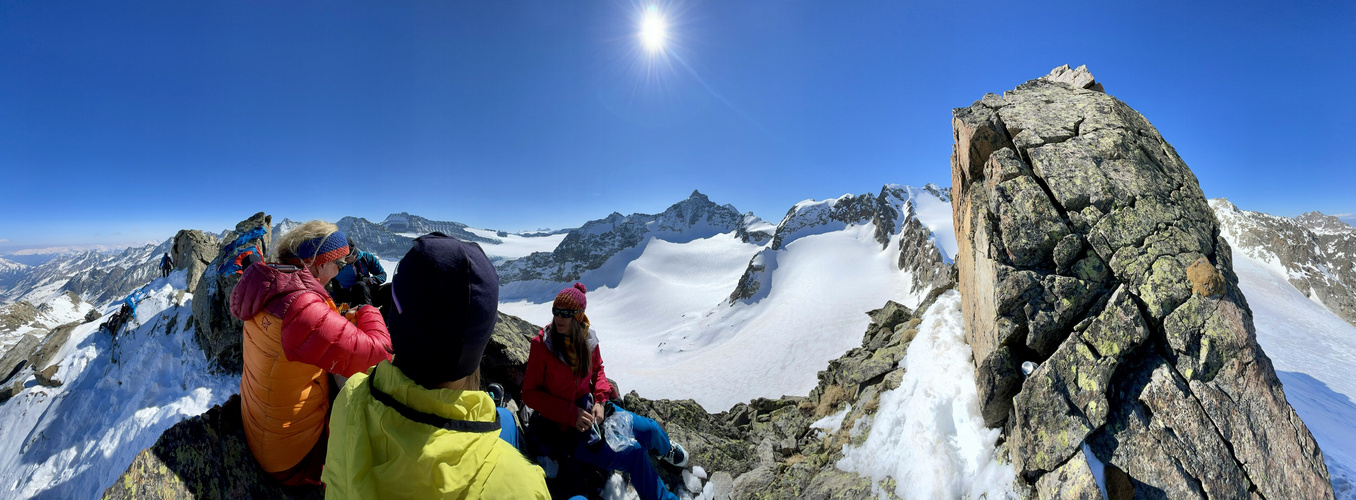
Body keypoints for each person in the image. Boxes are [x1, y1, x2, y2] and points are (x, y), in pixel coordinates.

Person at [323, 232, 550, 499]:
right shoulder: (523, 486)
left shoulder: (351, 400)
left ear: (396, 319)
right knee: (507, 423)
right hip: (488, 456)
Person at [229, 220, 393, 486]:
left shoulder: (271, 282)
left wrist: (337, 317)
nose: (340, 272)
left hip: (264, 431)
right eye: (338, 265)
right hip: (290, 458)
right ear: (318, 263)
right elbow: (379, 352)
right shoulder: (301, 307)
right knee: (368, 389)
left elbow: (307, 328)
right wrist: (367, 310)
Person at [523, 283, 687, 500]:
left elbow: (598, 370)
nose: (559, 318)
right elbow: (529, 394)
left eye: (566, 313)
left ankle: (664, 449)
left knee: (652, 430)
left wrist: (600, 401)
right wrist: (571, 415)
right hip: (570, 431)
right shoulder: (543, 346)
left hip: (595, 409)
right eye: (556, 312)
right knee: (635, 454)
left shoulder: (588, 339)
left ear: (579, 316)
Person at [329, 239, 387, 307]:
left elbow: (382, 275)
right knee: (360, 286)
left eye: (346, 257)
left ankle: (387, 315)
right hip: (344, 295)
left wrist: (369, 280)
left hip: (366, 292)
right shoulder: (334, 263)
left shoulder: (366, 258)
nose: (343, 260)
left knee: (389, 289)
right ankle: (368, 313)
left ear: (354, 252)